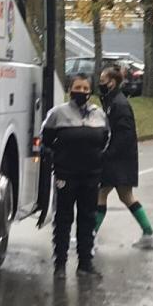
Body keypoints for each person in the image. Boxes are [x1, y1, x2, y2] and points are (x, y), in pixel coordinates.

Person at [42, 73, 110, 279]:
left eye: (85, 88)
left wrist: (97, 160)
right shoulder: (57, 114)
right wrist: (57, 159)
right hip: (66, 175)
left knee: (87, 218)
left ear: (90, 91)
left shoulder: (99, 115)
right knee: (63, 219)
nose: (81, 92)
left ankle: (85, 263)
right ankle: (60, 264)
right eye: (77, 88)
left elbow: (106, 140)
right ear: (70, 89)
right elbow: (45, 141)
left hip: (91, 175)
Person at [95, 66, 153, 249]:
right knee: (125, 196)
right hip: (123, 158)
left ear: (112, 82)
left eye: (102, 80)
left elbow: (123, 134)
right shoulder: (113, 101)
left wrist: (107, 155)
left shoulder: (119, 104)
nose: (100, 83)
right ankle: (149, 233)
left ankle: (89, 234)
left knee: (101, 194)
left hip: (117, 159)